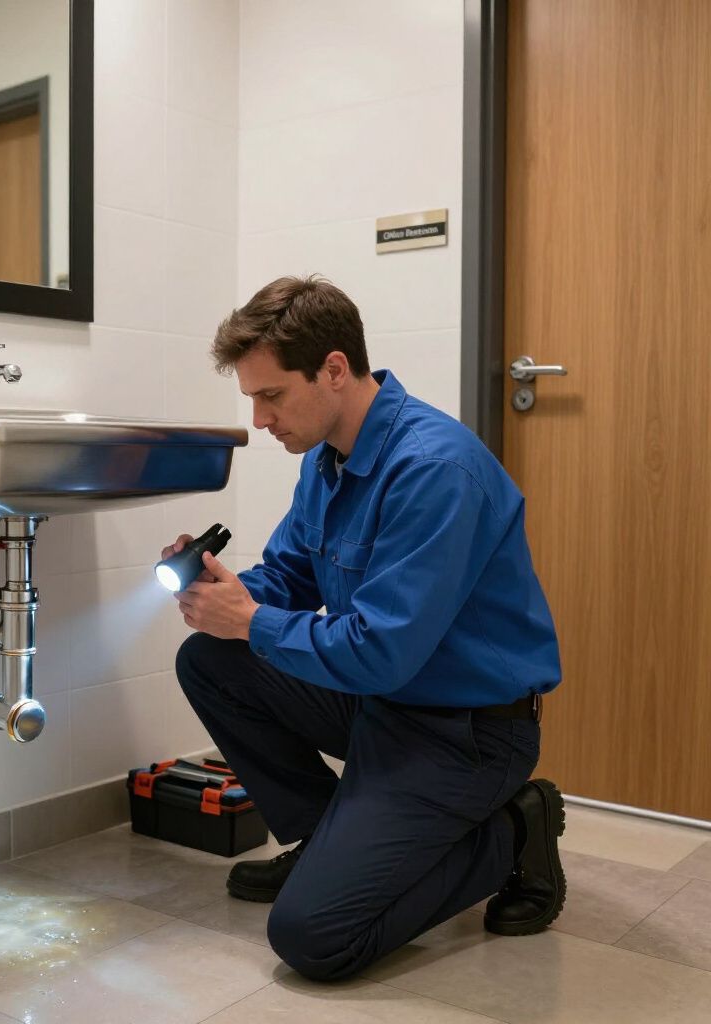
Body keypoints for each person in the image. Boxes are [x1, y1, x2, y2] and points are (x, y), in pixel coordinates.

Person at [164, 275, 565, 983]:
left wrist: (251, 621)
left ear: (335, 370)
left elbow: (380, 652)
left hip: (466, 732)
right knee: (209, 659)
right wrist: (224, 593)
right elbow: (287, 577)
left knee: (314, 938)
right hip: (385, 705)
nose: (260, 420)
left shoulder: (434, 470)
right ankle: (325, 839)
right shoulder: (328, 462)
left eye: (272, 395)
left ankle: (517, 828)